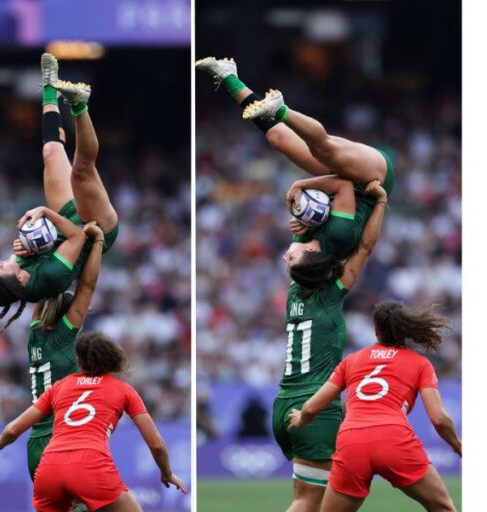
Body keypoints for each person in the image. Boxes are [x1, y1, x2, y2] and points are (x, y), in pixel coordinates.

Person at [195, 57, 396, 278]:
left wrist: (307, 223)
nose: (284, 257)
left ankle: (228, 76)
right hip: (374, 176)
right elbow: (343, 184)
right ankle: (280, 109)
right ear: (310, 252)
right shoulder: (337, 237)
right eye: (291, 259)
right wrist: (300, 184)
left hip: (352, 181)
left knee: (278, 139)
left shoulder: (308, 238)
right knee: (323, 150)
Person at [270, 181, 388, 512]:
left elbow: (302, 251)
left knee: (309, 498)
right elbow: (364, 247)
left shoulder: (295, 291)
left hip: (284, 403)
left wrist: (301, 221)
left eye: (289, 257)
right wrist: (380, 203)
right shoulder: (330, 295)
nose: (286, 253)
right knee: (311, 502)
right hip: (313, 408)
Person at [0, 53, 119, 329]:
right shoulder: (51, 279)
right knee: (81, 171)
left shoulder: (17, 275)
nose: (1, 260)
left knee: (51, 151)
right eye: (1, 267)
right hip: (96, 229)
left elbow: (29, 245)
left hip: (66, 226)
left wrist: (24, 245)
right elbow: (79, 235)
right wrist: (43, 210)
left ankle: (49, 86)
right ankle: (79, 105)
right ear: (20, 279)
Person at [0, 332, 188, 512]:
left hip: (49, 468)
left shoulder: (60, 386)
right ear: (112, 359)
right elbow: (157, 444)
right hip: (90, 464)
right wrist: (166, 473)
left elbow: (13, 430)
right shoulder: (124, 390)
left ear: (79, 360)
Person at [289, 302, 461, 512]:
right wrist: (458, 446)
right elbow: (439, 419)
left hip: (351, 441)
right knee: (443, 507)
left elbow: (310, 409)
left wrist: (300, 419)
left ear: (376, 331)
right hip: (394, 439)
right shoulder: (420, 363)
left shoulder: (351, 361)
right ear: (404, 330)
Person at [22, 221, 106, 482]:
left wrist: (45, 247)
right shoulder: (62, 337)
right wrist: (99, 243)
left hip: (36, 444)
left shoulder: (34, 334)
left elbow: (43, 294)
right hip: (65, 439)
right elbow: (87, 287)